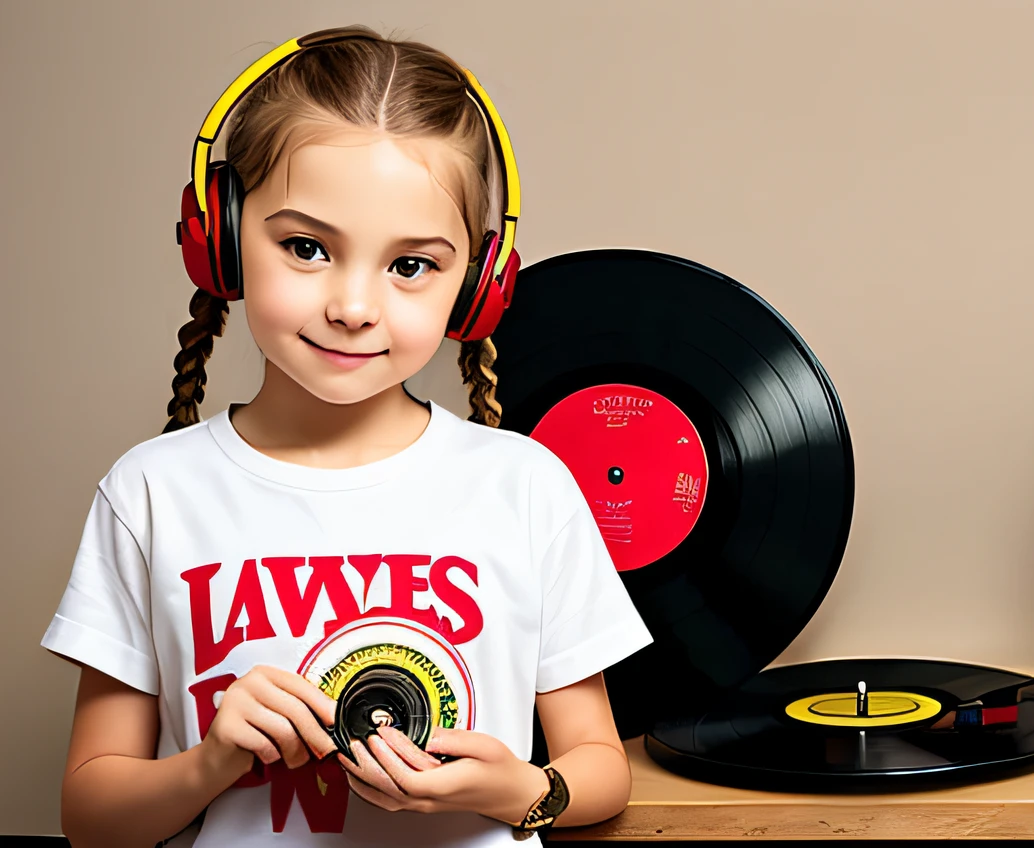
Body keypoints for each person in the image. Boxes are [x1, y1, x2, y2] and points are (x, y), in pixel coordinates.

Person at [41, 24, 653, 847]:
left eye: (412, 265)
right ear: (219, 241)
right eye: (305, 247)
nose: (354, 306)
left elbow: (600, 769)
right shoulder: (149, 493)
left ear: (477, 286)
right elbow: (89, 819)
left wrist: (519, 788)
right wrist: (213, 760)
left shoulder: (528, 484)